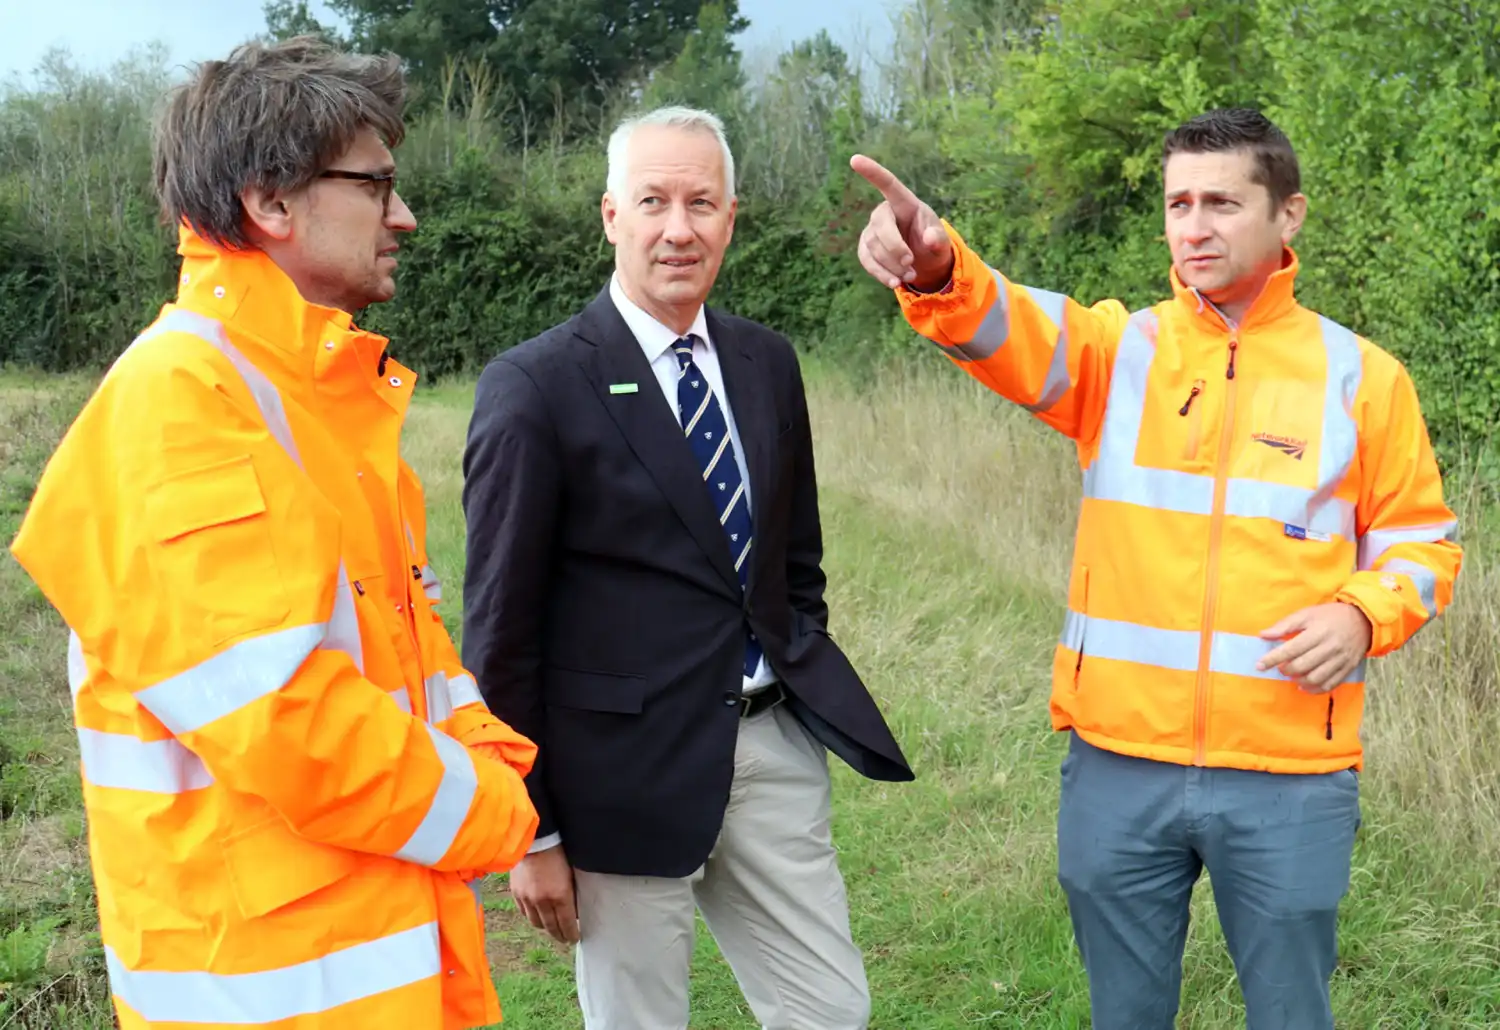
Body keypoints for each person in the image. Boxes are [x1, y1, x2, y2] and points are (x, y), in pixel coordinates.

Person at [850, 108, 1463, 1028]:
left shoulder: (1362, 378)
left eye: (1222, 201)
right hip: (1118, 766)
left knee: (1293, 1013)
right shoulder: (1119, 353)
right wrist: (939, 267)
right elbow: (1007, 326)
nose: (1194, 225)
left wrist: (1362, 614)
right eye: (1179, 202)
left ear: (1288, 215)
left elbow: (1423, 542)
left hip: (1290, 767)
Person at [9, 36, 540, 1030]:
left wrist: (488, 755)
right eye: (377, 185)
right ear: (272, 201)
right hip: (268, 996)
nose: (405, 216)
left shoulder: (315, 407)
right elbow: (288, 720)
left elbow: (416, 662)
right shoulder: (180, 405)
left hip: (366, 972)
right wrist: (493, 809)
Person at [461, 105, 914, 1030]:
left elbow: (794, 559)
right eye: (654, 200)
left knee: (832, 1012)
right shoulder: (536, 386)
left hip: (769, 747)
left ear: (731, 217)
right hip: (614, 776)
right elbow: (500, 628)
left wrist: (793, 661)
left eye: (701, 203)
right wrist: (532, 827)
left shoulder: (765, 363)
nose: (680, 228)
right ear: (610, 216)